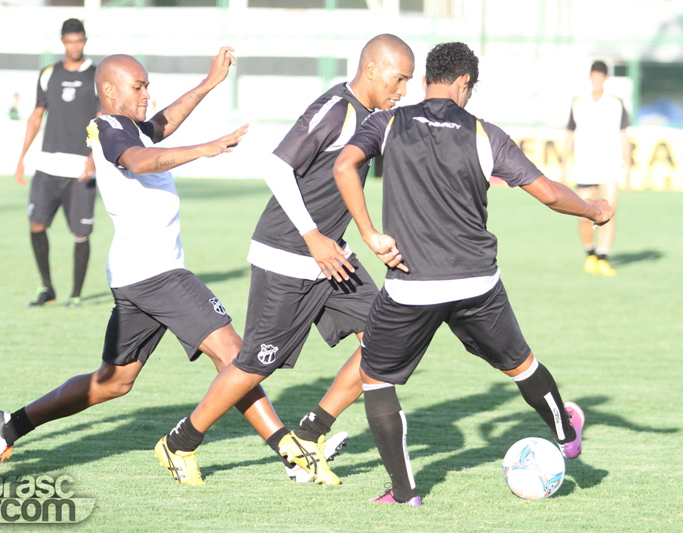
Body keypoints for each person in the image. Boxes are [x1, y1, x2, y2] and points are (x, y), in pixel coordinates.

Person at [0, 51, 302, 482]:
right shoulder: (108, 127)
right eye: (139, 87)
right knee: (232, 354)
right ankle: (293, 454)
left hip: (137, 275)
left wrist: (208, 84)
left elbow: (162, 127)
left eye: (147, 85)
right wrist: (204, 150)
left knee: (113, 381)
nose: (148, 94)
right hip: (158, 274)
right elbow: (137, 160)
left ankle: (8, 424)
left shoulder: (129, 127)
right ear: (110, 91)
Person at [332, 42, 613, 506]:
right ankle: (566, 436)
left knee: (378, 381)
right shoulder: (486, 133)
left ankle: (404, 494)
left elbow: (345, 166)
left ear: (427, 79)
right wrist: (594, 210)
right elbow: (547, 193)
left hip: (411, 284)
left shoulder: (387, 122)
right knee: (521, 365)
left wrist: (369, 234)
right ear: (464, 82)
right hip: (477, 286)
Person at [154, 34, 415, 486]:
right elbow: (275, 166)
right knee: (256, 362)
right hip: (288, 255)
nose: (403, 90)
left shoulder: (372, 115)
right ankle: (179, 444)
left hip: (332, 257)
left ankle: (311, 435)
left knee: (385, 337)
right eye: (399, 79)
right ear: (371, 69)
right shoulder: (337, 108)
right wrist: (312, 235)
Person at [14, 18, 99, 308]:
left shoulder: (97, 76)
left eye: (79, 41)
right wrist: (22, 156)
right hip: (47, 166)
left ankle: (75, 295)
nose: (74, 46)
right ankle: (47, 288)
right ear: (62, 42)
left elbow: (102, 121)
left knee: (80, 232)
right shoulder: (48, 73)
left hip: (80, 169)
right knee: (36, 224)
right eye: (69, 41)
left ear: (85, 41)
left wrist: (94, 156)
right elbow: (37, 115)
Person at [561, 60, 631, 276]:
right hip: (585, 166)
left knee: (609, 212)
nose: (597, 80)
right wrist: (565, 165)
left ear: (606, 79)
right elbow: (570, 136)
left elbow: (624, 136)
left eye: (601, 77)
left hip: (610, 166)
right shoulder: (578, 103)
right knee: (584, 214)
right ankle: (590, 254)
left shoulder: (616, 103)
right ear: (590, 78)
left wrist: (627, 166)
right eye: (594, 77)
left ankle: (603, 257)